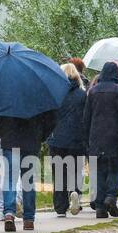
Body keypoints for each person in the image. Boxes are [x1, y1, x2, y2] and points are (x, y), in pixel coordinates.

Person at [83, 60, 118, 218]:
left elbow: (87, 117)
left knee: (98, 171)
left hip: (96, 136)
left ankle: (99, 207)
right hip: (115, 136)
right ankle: (111, 196)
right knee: (116, 168)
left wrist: (86, 138)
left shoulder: (92, 91)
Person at [0, 107, 55, 232]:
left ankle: (9, 213)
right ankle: (29, 219)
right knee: (28, 181)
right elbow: (51, 118)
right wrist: (41, 135)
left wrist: (1, 131)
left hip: (10, 140)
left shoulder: (6, 94)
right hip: (31, 140)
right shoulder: (38, 94)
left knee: (9, 179)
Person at [46, 63, 87, 218]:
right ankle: (75, 192)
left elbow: (49, 117)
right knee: (75, 171)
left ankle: (60, 207)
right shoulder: (83, 95)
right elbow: (86, 117)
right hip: (77, 139)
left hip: (57, 139)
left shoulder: (55, 94)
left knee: (59, 174)